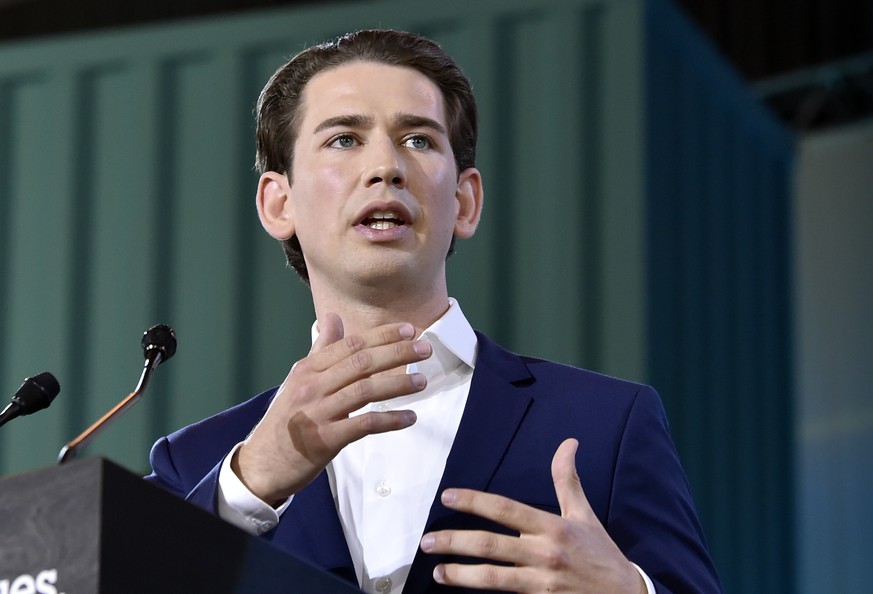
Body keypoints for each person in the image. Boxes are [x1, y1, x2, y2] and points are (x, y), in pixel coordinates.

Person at [146, 29, 721, 594]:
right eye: (344, 139)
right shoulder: (199, 463)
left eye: (418, 140)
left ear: (465, 202)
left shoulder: (608, 424)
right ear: (279, 203)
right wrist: (251, 485)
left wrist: (626, 592)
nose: (386, 168)